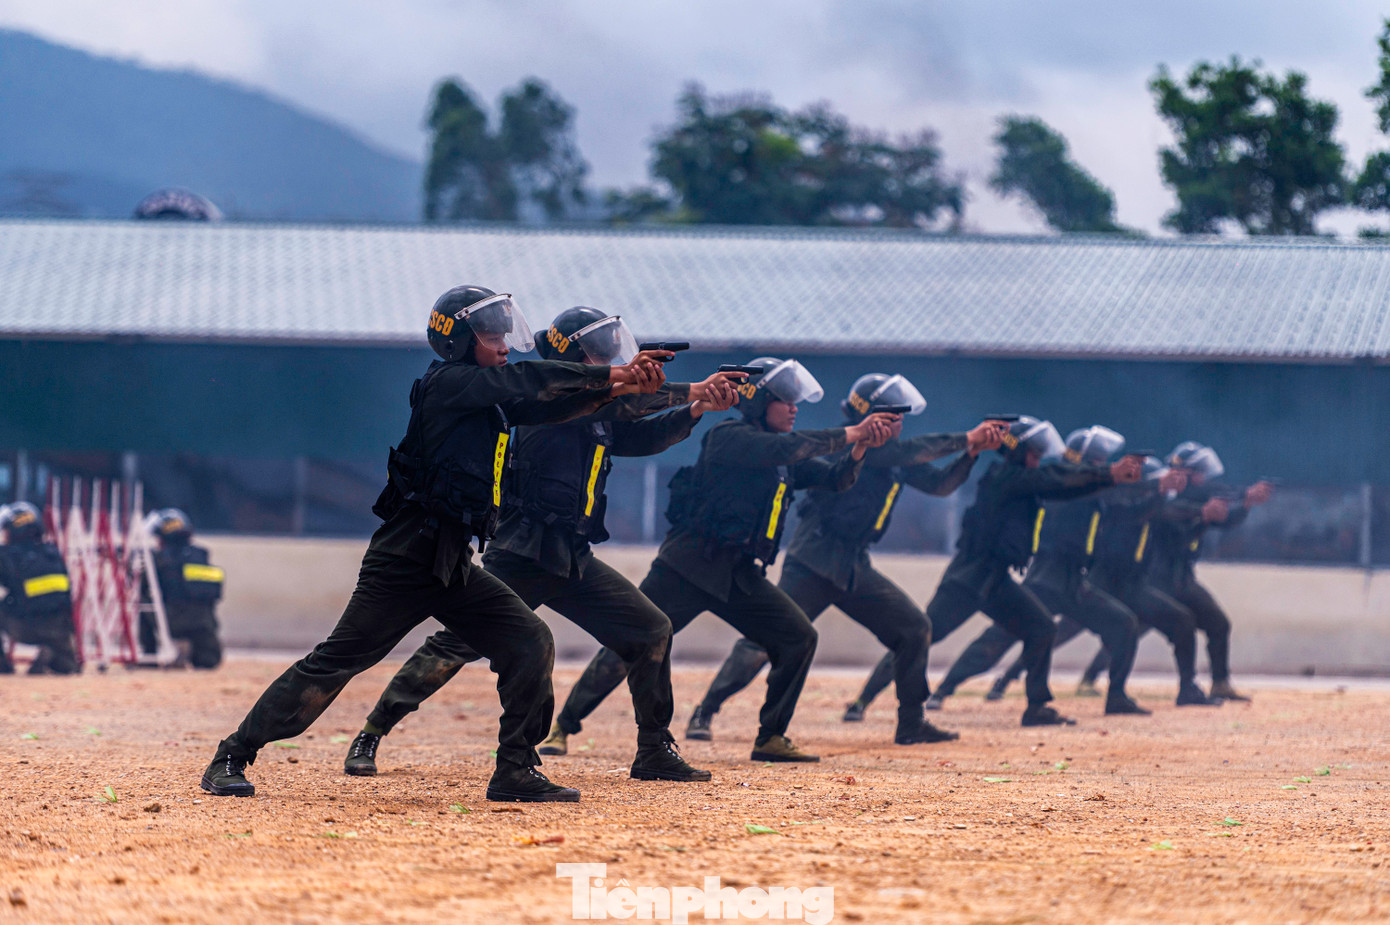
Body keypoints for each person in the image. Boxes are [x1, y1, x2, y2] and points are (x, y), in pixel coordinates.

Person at [199, 285, 670, 804]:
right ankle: (232, 754)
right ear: (459, 343)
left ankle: (514, 768)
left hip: (450, 562)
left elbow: (550, 404)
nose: (504, 347)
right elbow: (529, 379)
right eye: (492, 338)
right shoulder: (448, 384)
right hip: (405, 560)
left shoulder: (486, 400)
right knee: (334, 663)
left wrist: (622, 390)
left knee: (529, 641)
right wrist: (616, 374)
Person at [339, 305, 742, 785]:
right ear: (571, 353)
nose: (609, 358)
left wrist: (695, 409)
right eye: (596, 350)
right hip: (524, 549)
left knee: (651, 630)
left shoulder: (598, 405)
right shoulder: (559, 398)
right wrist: (691, 389)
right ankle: (372, 731)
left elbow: (643, 435)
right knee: (454, 645)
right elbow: (622, 403)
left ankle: (654, 749)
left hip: (571, 555)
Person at [539, 357, 897, 763]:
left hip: (737, 575)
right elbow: (784, 448)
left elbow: (836, 479)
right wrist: (851, 432)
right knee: (632, 643)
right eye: (785, 400)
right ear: (759, 403)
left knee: (798, 638)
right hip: (686, 568)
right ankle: (563, 726)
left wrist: (860, 448)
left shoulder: (783, 454)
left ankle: (770, 737)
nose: (794, 408)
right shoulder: (730, 436)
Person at [685, 372, 1006, 745]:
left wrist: (970, 454)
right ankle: (705, 711)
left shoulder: (895, 454)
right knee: (764, 640)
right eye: (891, 415)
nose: (898, 423)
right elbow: (911, 451)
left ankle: (911, 722)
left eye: (901, 417)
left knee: (914, 628)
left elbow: (940, 485)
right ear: (865, 414)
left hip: (854, 565)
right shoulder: (847, 440)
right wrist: (967, 437)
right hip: (814, 557)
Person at [846, 417, 1142, 727]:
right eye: (1034, 453)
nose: (1038, 460)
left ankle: (1037, 706)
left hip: (995, 580)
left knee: (1041, 628)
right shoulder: (1008, 477)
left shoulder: (1020, 479)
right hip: (967, 580)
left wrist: (1107, 477)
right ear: (1019, 452)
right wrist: (1108, 472)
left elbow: (1060, 486)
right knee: (921, 636)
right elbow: (1055, 480)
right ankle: (862, 700)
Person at [926, 427, 1165, 716]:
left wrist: (1152, 490)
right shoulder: (1064, 484)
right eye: (1098, 459)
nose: (1103, 464)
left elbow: (1124, 509)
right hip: (1046, 579)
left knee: (1123, 623)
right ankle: (944, 689)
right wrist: (1119, 480)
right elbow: (1081, 487)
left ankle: (1116, 697)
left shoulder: (1090, 487)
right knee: (998, 639)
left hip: (1073, 582)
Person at [1080, 443, 1273, 702]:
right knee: (1133, 627)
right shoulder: (1166, 500)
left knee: (1212, 624)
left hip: (1180, 577)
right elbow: (1175, 520)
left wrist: (1245, 503)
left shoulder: (1190, 499)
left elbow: (1221, 519)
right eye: (1200, 473)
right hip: (1159, 578)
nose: (1205, 479)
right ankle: (1096, 677)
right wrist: (1202, 515)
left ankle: (1216, 683)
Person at [139, 509, 225, 669]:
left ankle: (149, 657)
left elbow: (140, 589)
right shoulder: (202, 555)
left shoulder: (157, 560)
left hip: (171, 621)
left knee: (140, 606)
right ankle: (193, 650)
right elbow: (213, 596)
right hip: (204, 624)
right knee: (208, 662)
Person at [0, 502, 79, 675]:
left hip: (29, 627)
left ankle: (2, 665)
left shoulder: (7, 555)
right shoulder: (52, 553)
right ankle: (53, 654)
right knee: (67, 667)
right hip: (61, 628)